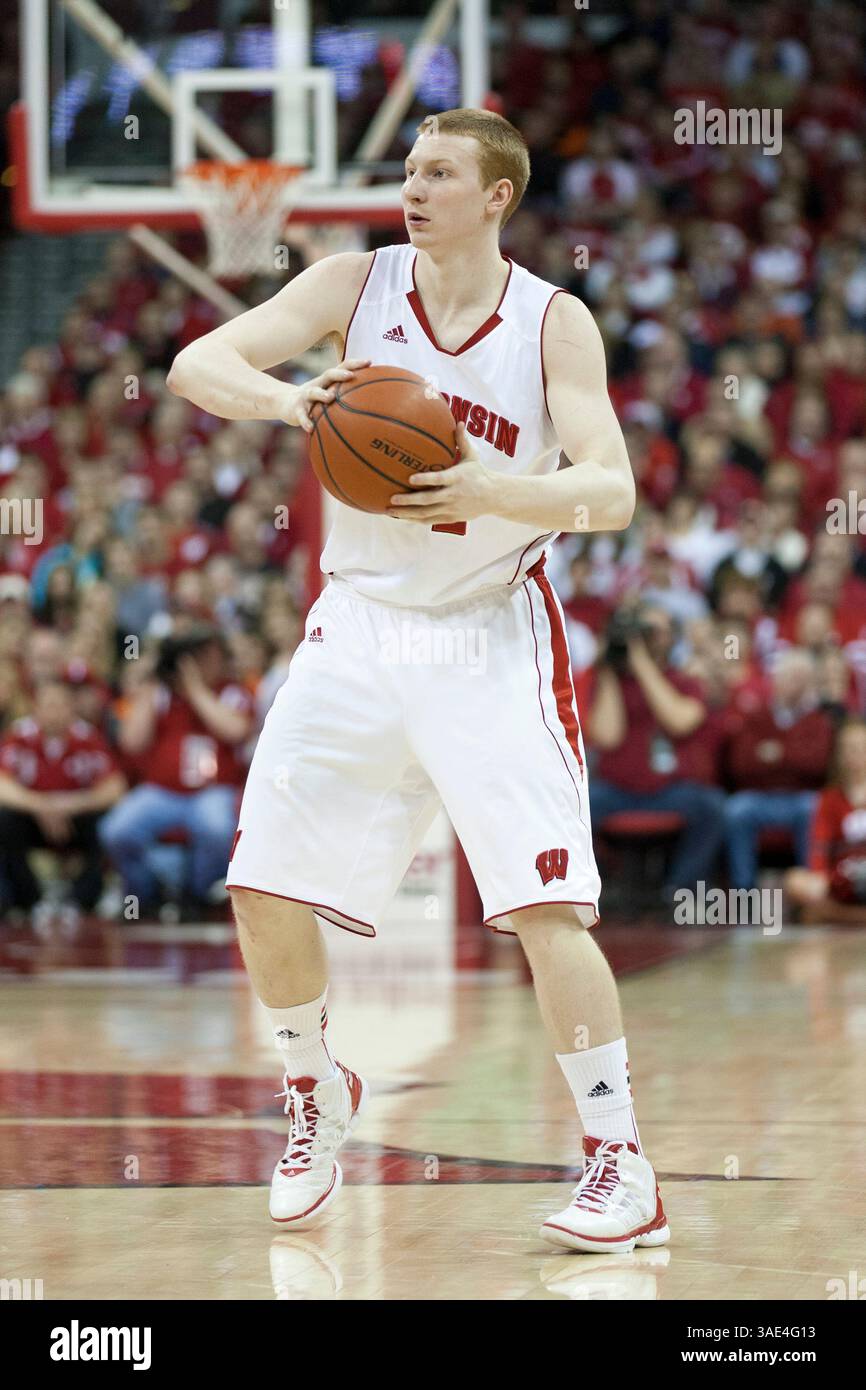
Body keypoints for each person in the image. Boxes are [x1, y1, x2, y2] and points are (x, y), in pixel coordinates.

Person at [168, 108, 670, 1254]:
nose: (413, 185)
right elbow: (200, 364)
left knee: (546, 905)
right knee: (258, 883)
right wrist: (297, 402)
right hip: (357, 623)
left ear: (496, 195)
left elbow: (610, 490)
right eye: (406, 168)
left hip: (488, 633)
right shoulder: (354, 281)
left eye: (438, 171)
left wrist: (495, 491)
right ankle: (313, 1092)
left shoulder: (553, 321)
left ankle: (618, 1157)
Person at [98, 628, 253, 917]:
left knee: (216, 828)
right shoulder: (161, 695)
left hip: (214, 791)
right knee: (117, 829)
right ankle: (144, 895)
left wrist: (195, 690)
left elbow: (236, 730)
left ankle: (198, 895)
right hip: (163, 793)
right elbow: (131, 742)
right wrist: (150, 685)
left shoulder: (232, 692)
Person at [587, 603, 726, 896]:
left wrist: (642, 666)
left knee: (712, 807)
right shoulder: (612, 681)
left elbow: (678, 721)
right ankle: (596, 889)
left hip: (670, 790)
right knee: (576, 806)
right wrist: (609, 669)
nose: (645, 638)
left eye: (654, 631)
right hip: (617, 791)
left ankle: (679, 889)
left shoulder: (686, 682)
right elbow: (607, 736)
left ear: (671, 638)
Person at [0, 679, 126, 916]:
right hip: (32, 819)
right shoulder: (19, 735)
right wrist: (41, 806)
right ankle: (28, 899)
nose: (54, 712)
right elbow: (2, 785)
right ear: (35, 708)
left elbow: (115, 788)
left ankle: (82, 900)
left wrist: (71, 805)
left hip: (76, 819)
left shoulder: (87, 737)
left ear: (71, 708)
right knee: (4, 820)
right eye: (48, 705)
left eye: (60, 705)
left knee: (110, 822)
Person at [723, 647, 834, 890]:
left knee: (814, 808)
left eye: (802, 678)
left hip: (800, 797)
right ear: (776, 680)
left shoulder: (818, 720)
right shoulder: (756, 717)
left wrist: (777, 754)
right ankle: (744, 890)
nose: (796, 684)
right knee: (736, 810)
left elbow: (816, 766)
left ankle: (808, 888)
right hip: (759, 796)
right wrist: (793, 756)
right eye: (791, 677)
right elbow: (741, 766)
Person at [785, 717, 866, 912]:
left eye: (858, 747)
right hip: (841, 879)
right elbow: (819, 846)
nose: (852, 755)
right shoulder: (829, 798)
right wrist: (820, 876)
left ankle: (837, 915)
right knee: (794, 881)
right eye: (846, 748)